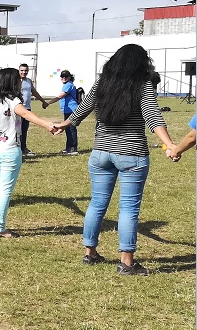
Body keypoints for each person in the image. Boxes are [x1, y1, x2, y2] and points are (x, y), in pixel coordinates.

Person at [54, 44, 176, 276]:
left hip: (101, 153)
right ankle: (127, 262)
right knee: (128, 208)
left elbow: (84, 107)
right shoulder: (142, 84)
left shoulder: (103, 82)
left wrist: (65, 123)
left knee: (97, 204)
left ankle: (90, 253)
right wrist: (169, 144)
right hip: (132, 154)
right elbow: (153, 116)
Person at [0, 68, 57, 238]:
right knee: (5, 190)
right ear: (11, 82)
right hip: (9, 150)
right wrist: (47, 125)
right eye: (17, 80)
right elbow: (26, 114)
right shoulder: (13, 100)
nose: (20, 83)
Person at [43, 70, 80, 155]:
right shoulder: (67, 85)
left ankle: (73, 149)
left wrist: (48, 103)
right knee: (68, 129)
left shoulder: (68, 85)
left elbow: (60, 96)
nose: (64, 78)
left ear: (69, 77)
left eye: (66, 76)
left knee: (71, 129)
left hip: (71, 110)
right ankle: (69, 148)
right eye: (62, 77)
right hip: (68, 110)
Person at [17, 64, 46, 156]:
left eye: (25, 70)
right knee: (17, 130)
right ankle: (16, 148)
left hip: (27, 108)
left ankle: (23, 148)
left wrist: (43, 101)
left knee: (24, 129)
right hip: (18, 109)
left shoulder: (28, 81)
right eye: (22, 70)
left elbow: (34, 92)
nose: (24, 72)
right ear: (19, 70)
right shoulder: (15, 81)